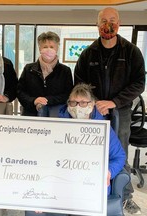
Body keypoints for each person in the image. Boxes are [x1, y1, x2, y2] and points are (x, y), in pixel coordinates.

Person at [74, 7, 145, 214]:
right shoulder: (88, 53)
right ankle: (90, 190)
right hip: (94, 111)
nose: (108, 24)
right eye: (103, 20)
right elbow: (79, 82)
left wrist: (114, 102)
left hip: (120, 111)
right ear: (97, 25)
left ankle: (125, 196)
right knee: (90, 151)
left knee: (119, 153)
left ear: (119, 23)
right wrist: (94, 103)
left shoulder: (131, 52)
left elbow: (139, 83)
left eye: (112, 20)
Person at [26, 83, 126, 216]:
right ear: (68, 104)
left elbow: (119, 156)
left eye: (84, 103)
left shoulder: (103, 129)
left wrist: (109, 171)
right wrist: (40, 192)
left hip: (91, 186)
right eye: (73, 102)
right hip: (60, 184)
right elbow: (44, 158)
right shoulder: (56, 127)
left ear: (92, 104)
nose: (78, 107)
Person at [17, 31, 73, 117]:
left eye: (52, 47)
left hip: (56, 115)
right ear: (40, 48)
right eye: (45, 47)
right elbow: (20, 91)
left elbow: (68, 94)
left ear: (57, 48)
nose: (48, 49)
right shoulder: (28, 69)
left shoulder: (65, 71)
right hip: (31, 115)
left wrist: (47, 100)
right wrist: (34, 100)